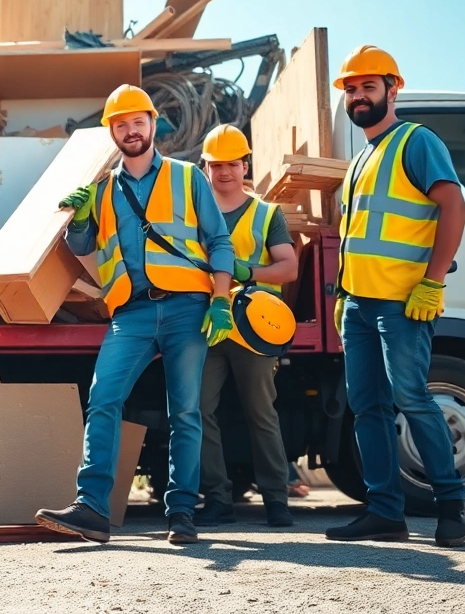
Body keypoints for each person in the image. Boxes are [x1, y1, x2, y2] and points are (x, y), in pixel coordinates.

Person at [35, 85, 236, 545]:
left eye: (137, 122)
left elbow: (219, 242)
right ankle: (91, 509)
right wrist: (81, 217)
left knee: (185, 411)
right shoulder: (104, 190)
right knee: (104, 398)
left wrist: (221, 301)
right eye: (120, 124)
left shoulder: (188, 178)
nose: (130, 130)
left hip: (188, 306)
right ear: (112, 132)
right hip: (131, 312)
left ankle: (181, 512)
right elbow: (82, 246)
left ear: (151, 124)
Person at [324, 46, 465, 547]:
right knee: (368, 408)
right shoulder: (360, 159)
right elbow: (354, 235)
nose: (358, 96)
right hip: (360, 305)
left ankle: (452, 505)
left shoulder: (416, 141)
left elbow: (454, 206)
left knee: (411, 397)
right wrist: (344, 295)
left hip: (403, 302)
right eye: (351, 88)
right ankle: (386, 512)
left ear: (393, 88)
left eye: (368, 86)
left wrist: (433, 281)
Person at [190, 125, 299, 528]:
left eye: (231, 164)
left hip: (254, 329)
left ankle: (277, 500)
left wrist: (246, 270)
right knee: (198, 410)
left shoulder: (267, 213)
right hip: (207, 324)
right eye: (216, 164)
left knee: (261, 413)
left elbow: (288, 268)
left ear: (244, 165)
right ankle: (218, 499)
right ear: (204, 167)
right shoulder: (192, 214)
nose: (224, 172)